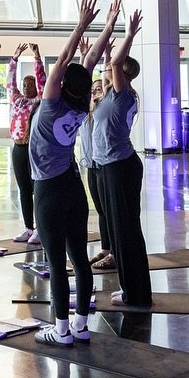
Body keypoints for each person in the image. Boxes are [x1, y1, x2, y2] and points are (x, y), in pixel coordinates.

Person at [30, 0, 115, 346]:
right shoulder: (81, 104)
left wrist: (82, 23)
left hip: (48, 190)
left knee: (55, 261)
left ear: (62, 84)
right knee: (79, 258)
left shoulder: (51, 105)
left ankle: (61, 330)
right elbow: (86, 63)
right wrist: (107, 26)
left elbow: (69, 61)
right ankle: (80, 325)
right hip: (72, 185)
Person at [95, 9, 150, 306]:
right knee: (119, 232)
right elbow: (109, 62)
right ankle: (130, 288)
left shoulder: (124, 95)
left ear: (122, 74)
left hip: (121, 168)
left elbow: (114, 62)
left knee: (127, 233)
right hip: (110, 167)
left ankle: (136, 292)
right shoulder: (112, 95)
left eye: (113, 70)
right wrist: (106, 31)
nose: (107, 71)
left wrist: (128, 35)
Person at [7, 42, 45, 243]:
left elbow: (43, 81)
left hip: (33, 148)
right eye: (25, 85)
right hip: (18, 148)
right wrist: (14, 59)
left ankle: (40, 228)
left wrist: (37, 57)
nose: (26, 87)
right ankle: (28, 227)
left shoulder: (38, 101)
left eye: (30, 85)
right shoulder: (17, 100)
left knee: (36, 188)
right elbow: (10, 82)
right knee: (23, 189)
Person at [80, 61, 113, 271]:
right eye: (92, 90)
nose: (94, 92)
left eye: (98, 89)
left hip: (104, 163)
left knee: (109, 210)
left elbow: (108, 83)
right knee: (100, 210)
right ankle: (106, 248)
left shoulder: (104, 110)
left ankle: (115, 253)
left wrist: (106, 60)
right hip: (91, 165)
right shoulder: (86, 112)